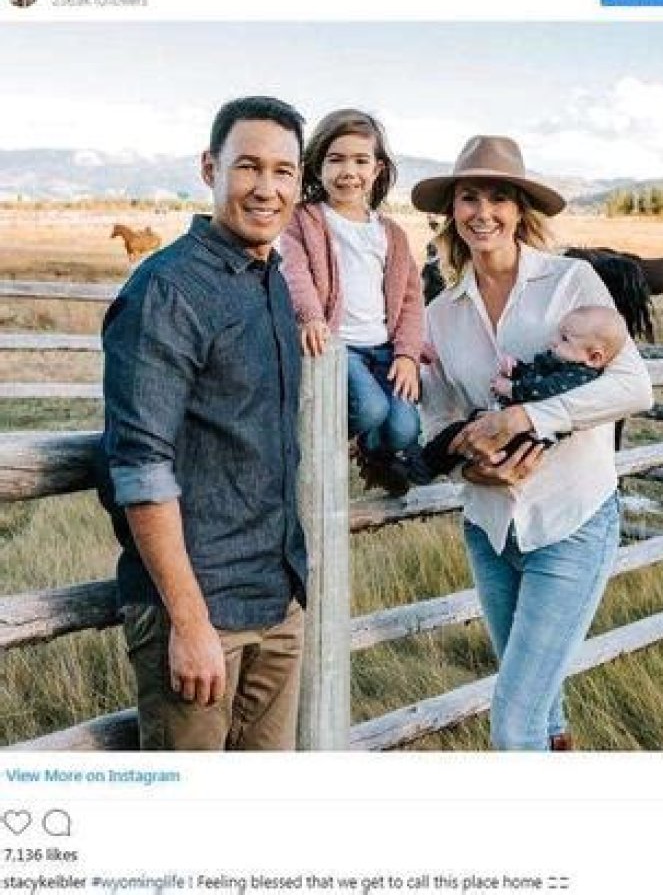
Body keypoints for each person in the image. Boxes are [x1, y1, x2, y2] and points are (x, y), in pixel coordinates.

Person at [411, 135, 653, 751]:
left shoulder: (571, 281)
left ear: (520, 210)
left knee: (513, 722)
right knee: (542, 714)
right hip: (490, 530)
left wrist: (526, 416)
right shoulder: (442, 312)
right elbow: (439, 419)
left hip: (571, 521)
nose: (483, 212)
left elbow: (634, 385)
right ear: (452, 211)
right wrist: (470, 471)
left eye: (499, 198)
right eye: (469, 197)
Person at [99, 96, 308, 751]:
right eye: (248, 166)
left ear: (300, 181)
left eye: (283, 171)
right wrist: (189, 623)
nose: (266, 188)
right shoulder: (168, 289)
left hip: (276, 600)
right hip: (199, 612)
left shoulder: (272, 280)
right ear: (210, 168)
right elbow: (140, 467)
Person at [279, 108, 424, 495]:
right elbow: (294, 271)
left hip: (385, 349)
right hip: (338, 347)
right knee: (371, 408)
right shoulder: (305, 220)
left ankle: (371, 452)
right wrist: (310, 316)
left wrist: (408, 355)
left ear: (377, 169)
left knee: (405, 428)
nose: (348, 171)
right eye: (336, 160)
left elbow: (412, 300)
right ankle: (309, 445)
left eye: (360, 161)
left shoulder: (391, 234)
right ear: (317, 166)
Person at [409, 305, 628, 482]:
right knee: (462, 434)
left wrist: (512, 388)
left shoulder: (577, 376)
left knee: (460, 434)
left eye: (564, 339)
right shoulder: (564, 362)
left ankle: (423, 466)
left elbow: (543, 390)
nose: (554, 340)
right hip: (495, 486)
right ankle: (427, 463)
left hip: (530, 440)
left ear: (594, 357)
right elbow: (536, 375)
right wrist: (516, 369)